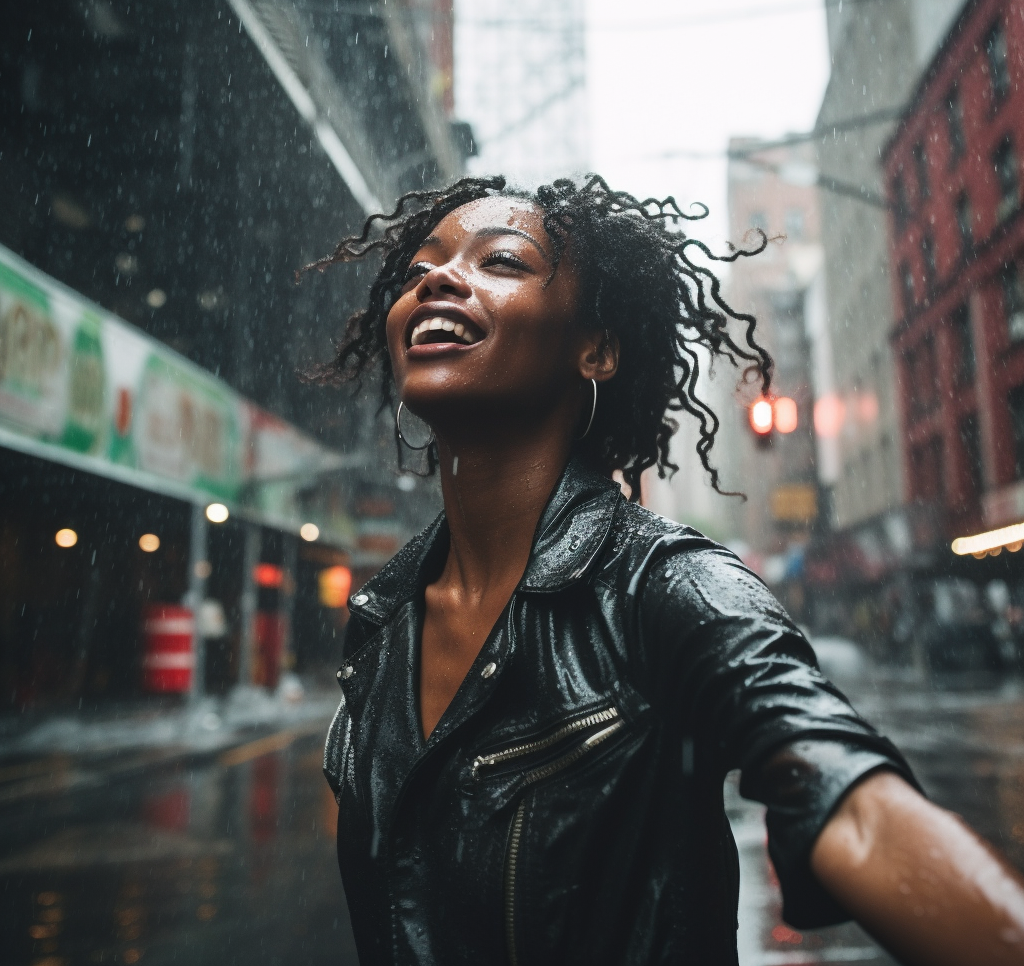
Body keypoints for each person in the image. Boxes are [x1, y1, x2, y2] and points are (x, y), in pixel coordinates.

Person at [308, 175, 1024, 965]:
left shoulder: (669, 585)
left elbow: (855, 813)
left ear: (598, 347)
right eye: (416, 272)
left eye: (500, 263)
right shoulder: (382, 624)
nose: (436, 279)